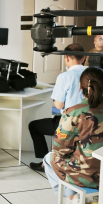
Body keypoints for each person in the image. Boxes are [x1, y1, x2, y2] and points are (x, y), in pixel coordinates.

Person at [43, 67, 103, 204]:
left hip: (85, 174)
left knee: (48, 158)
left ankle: (72, 198)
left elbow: (60, 149)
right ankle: (88, 197)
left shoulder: (73, 112)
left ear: (80, 87)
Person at [28, 44, 87, 172]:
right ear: (83, 58)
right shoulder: (94, 73)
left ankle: (45, 163)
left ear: (66, 58)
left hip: (69, 124)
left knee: (34, 126)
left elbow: (59, 105)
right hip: (89, 122)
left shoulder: (65, 77)